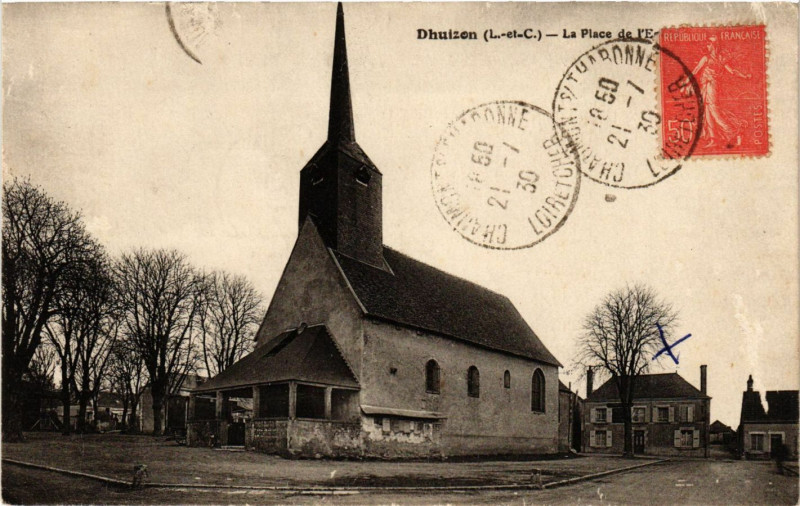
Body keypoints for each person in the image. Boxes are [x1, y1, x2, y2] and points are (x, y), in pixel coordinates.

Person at [679, 35, 752, 149]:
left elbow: (732, 71)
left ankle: (734, 131)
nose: (707, 46)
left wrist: (745, 76)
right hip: (706, 86)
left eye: (709, 44)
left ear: (714, 46)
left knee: (714, 111)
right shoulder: (708, 58)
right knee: (706, 112)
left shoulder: (718, 59)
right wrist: (686, 82)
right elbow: (696, 71)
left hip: (712, 86)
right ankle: (714, 139)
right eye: (707, 44)